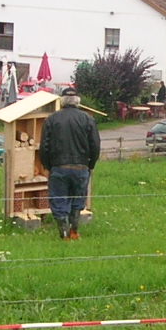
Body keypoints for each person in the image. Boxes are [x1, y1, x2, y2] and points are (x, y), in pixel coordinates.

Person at [38, 85, 100, 240]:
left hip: (58, 167)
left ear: (62, 101)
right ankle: (74, 231)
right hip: (81, 167)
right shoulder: (88, 119)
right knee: (78, 199)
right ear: (77, 101)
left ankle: (64, 234)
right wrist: (90, 165)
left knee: (59, 200)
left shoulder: (51, 119)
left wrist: (46, 166)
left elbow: (44, 146)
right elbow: (95, 145)